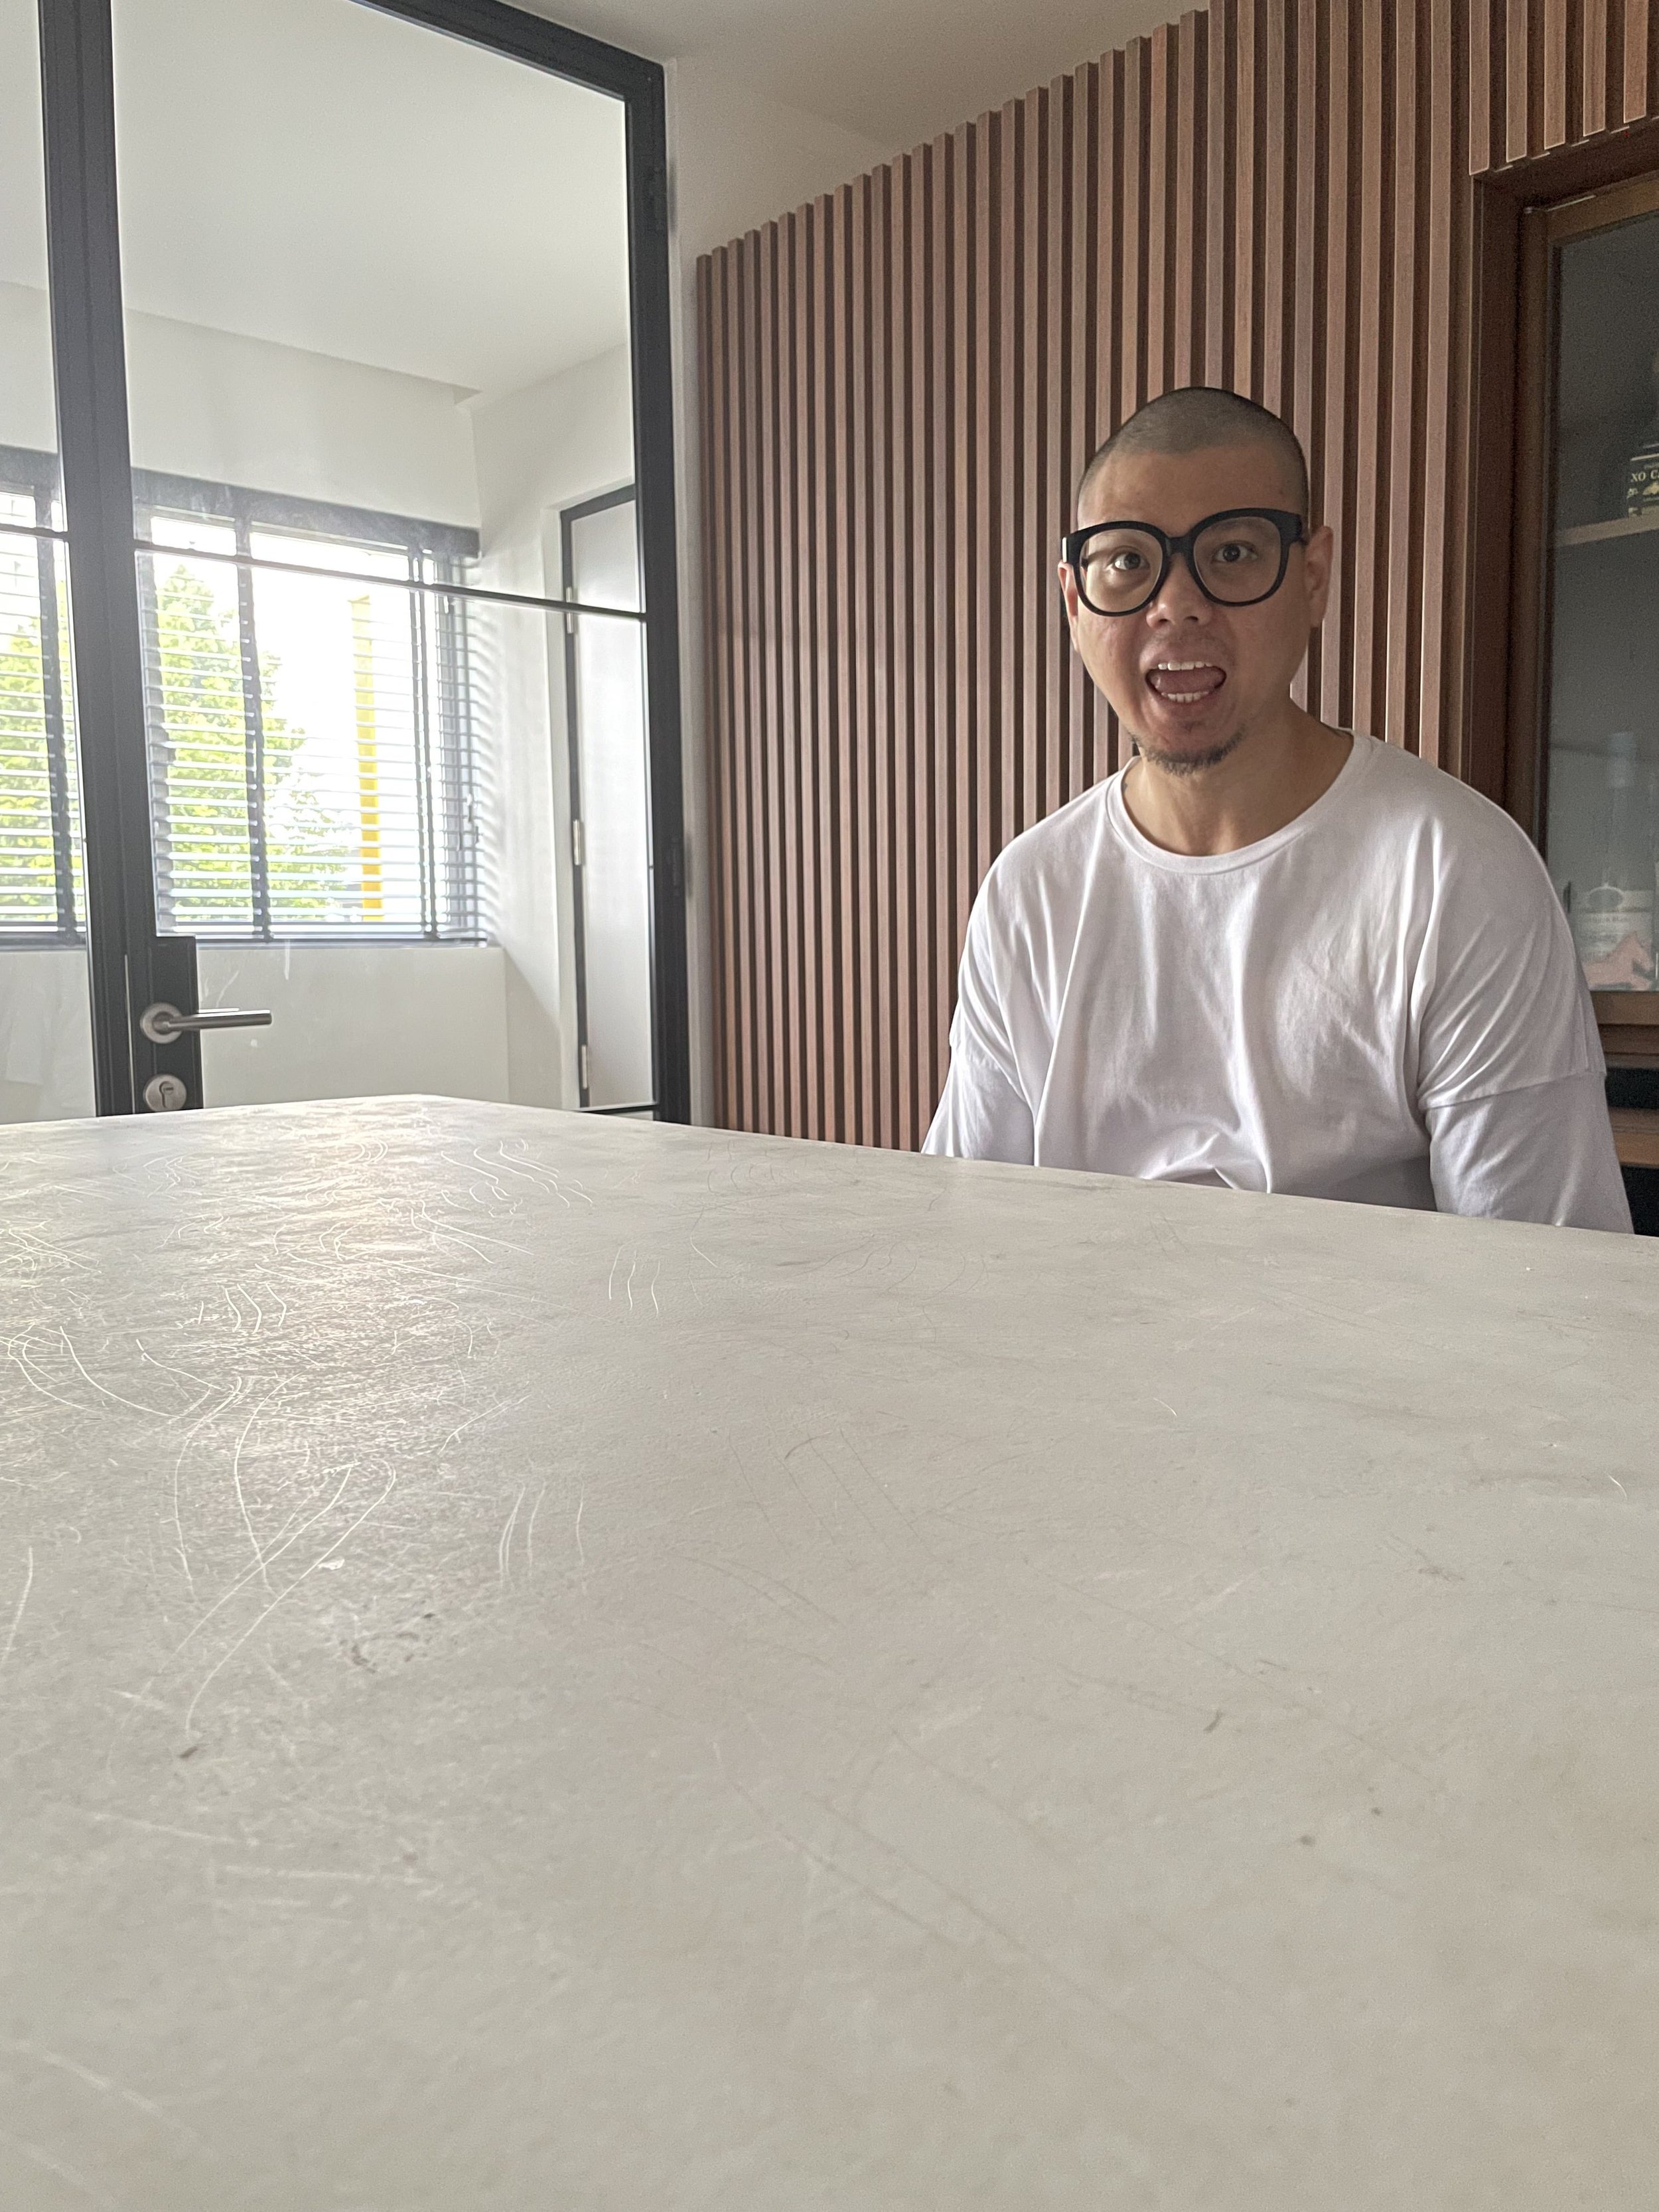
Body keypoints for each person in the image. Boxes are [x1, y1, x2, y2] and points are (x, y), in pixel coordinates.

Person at [923, 386, 1632, 1232]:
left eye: (1229, 554)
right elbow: (964, 1226)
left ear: (1312, 577)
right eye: (1126, 561)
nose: (1175, 604)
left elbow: (1544, 1278)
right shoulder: (1031, 890)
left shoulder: (1454, 871)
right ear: (1074, 602)